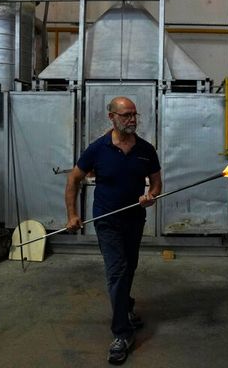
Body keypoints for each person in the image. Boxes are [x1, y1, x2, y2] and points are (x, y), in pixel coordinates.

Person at [65, 96, 162, 365]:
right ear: (111, 117)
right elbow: (73, 180)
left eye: (134, 115)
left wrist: (151, 196)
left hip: (134, 219)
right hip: (107, 221)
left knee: (129, 266)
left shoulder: (146, 149)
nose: (132, 120)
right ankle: (122, 333)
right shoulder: (97, 149)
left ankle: (126, 307)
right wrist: (73, 214)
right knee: (117, 271)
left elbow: (156, 184)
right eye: (126, 115)